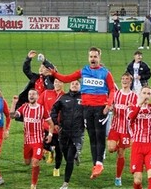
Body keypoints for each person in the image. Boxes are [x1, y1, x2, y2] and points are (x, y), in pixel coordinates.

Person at [42, 46, 117, 177]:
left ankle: (99, 163)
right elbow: (66, 78)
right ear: (88, 58)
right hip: (86, 109)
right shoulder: (84, 71)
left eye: (95, 56)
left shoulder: (105, 73)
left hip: (100, 109)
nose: (93, 59)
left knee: (99, 137)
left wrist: (108, 105)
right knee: (92, 138)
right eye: (91, 56)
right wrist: (54, 74)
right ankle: (96, 165)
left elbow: (112, 90)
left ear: (99, 58)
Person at [14, 86, 50, 189]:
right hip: (27, 141)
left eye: (34, 94)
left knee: (35, 162)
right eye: (30, 94)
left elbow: (50, 123)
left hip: (38, 140)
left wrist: (51, 134)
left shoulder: (42, 109)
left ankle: (33, 185)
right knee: (27, 162)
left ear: (38, 96)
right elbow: (12, 115)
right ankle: (39, 155)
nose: (31, 96)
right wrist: (13, 103)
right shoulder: (24, 107)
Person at [107, 73, 139, 186]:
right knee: (111, 149)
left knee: (121, 153)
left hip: (126, 130)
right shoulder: (116, 94)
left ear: (130, 82)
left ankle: (118, 177)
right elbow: (112, 108)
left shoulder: (134, 96)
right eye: (123, 79)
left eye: (127, 79)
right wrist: (110, 108)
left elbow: (136, 113)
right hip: (115, 127)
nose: (125, 81)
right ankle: (115, 145)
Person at [50, 85, 84, 189]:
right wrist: (55, 123)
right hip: (64, 132)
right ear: (69, 86)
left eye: (76, 84)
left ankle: (65, 183)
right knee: (65, 152)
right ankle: (76, 156)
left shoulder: (84, 97)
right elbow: (54, 110)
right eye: (72, 83)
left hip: (77, 133)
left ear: (80, 86)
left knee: (69, 158)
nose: (74, 85)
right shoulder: (63, 97)